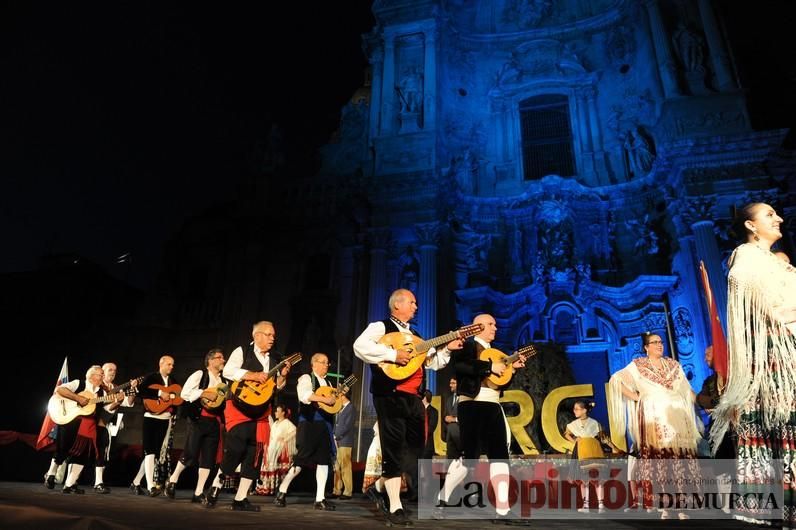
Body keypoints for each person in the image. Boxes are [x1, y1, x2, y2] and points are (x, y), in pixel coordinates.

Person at [712, 203, 796, 527]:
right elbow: (750, 293)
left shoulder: (772, 261)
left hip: (786, 344)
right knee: (781, 420)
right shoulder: (746, 256)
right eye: (769, 215)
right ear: (750, 224)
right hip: (775, 351)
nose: (779, 219)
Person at [354, 288, 462, 527]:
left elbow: (434, 363)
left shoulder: (416, 335)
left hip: (414, 397)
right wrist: (393, 354)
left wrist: (447, 348)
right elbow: (359, 346)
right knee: (392, 445)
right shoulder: (380, 327)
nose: (416, 307)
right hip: (390, 394)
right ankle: (396, 506)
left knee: (416, 445)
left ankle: (379, 485)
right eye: (412, 302)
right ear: (397, 305)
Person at [435, 313, 528, 525]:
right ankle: (442, 500)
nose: (495, 327)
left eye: (495, 323)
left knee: (500, 455)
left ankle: (502, 510)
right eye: (490, 324)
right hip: (471, 404)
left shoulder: (498, 353)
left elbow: (499, 382)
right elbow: (460, 367)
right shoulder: (466, 346)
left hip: (494, 405)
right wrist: (488, 367)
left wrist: (512, 369)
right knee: (470, 458)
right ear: (477, 327)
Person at [608, 332, 701, 520]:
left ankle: (683, 506)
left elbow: (687, 390)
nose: (659, 345)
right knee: (661, 459)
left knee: (679, 458)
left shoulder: (674, 365)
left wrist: (703, 404)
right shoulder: (638, 365)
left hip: (676, 418)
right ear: (646, 347)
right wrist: (638, 398)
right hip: (654, 419)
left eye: (661, 342)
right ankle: (665, 506)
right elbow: (616, 380)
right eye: (654, 342)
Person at [205, 320, 291, 512]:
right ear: (257, 335)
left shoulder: (276, 357)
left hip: (262, 411)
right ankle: (215, 488)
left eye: (273, 335)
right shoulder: (242, 351)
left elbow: (278, 387)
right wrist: (252, 375)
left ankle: (240, 498)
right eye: (268, 335)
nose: (272, 338)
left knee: (255, 454)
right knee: (236, 449)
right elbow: (228, 371)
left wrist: (283, 375)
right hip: (239, 407)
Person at [43, 365, 123, 493]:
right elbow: (60, 390)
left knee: (83, 454)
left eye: (103, 374)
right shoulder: (78, 384)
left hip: (88, 425)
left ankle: (69, 484)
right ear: (91, 376)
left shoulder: (102, 392)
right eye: (100, 374)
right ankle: (51, 474)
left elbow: (107, 409)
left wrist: (118, 402)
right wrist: (77, 398)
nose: (103, 376)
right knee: (63, 448)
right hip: (70, 419)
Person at [274, 352, 337, 510]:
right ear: (314, 364)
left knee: (324, 461)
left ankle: (320, 498)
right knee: (301, 462)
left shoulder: (329, 383)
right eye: (323, 362)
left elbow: (332, 404)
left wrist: (336, 401)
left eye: (327, 363)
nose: (326, 366)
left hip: (325, 426)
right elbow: (304, 396)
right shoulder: (306, 378)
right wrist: (325, 399)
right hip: (309, 425)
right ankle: (282, 490)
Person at [165, 348, 226, 502]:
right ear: (210, 360)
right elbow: (185, 394)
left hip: (214, 421)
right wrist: (203, 393)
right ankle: (173, 480)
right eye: (220, 358)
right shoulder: (200, 375)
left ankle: (198, 492)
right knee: (190, 453)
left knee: (208, 458)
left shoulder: (223, 381)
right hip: (198, 419)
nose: (223, 361)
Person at [131, 355, 179, 497]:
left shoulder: (173, 381)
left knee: (154, 454)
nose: (171, 367)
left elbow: (176, 399)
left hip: (165, 419)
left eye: (173, 365)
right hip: (151, 417)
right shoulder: (151, 377)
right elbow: (141, 390)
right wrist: (159, 393)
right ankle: (151, 485)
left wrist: (174, 411)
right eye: (169, 364)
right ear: (161, 364)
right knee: (150, 452)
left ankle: (136, 482)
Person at [563, 400, 621, 513]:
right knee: (583, 480)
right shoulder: (573, 424)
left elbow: (603, 438)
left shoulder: (594, 423)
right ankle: (585, 506)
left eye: (577, 409)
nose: (574, 411)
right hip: (581, 451)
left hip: (594, 450)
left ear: (584, 410)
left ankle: (601, 506)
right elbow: (566, 434)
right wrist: (575, 439)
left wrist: (614, 447)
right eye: (574, 409)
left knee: (597, 478)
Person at [93, 362, 136, 494]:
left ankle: (98, 482)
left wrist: (133, 389)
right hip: (91, 423)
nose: (113, 372)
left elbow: (128, 403)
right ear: (103, 372)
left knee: (102, 452)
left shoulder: (117, 388)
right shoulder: (97, 386)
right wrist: (115, 402)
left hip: (102, 425)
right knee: (81, 452)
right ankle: (63, 479)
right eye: (110, 370)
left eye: (115, 370)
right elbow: (101, 406)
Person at [695, 346, 735, 459]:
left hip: (733, 426)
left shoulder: (732, 376)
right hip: (717, 428)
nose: (705, 359)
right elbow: (700, 399)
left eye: (707, 355)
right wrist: (716, 402)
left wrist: (717, 405)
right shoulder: (709, 381)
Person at [256, 403, 296, 495]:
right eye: (276, 411)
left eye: (278, 411)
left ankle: (277, 488)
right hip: (272, 447)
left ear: (283, 413)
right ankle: (267, 488)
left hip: (279, 449)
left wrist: (285, 439)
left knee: (277, 468)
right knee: (267, 465)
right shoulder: (275, 423)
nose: (275, 413)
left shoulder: (287, 423)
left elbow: (295, 431)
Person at [332, 393, 355, 500]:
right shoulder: (342, 408)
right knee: (337, 466)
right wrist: (333, 434)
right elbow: (337, 424)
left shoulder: (350, 408)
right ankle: (336, 490)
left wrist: (337, 435)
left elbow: (347, 425)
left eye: (338, 397)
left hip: (345, 441)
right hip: (338, 440)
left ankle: (347, 491)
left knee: (345, 466)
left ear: (343, 396)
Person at [443, 377, 461, 460]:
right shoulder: (449, 399)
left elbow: (469, 417)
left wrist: (455, 419)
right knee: (450, 464)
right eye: (450, 383)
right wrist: (445, 418)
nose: (450, 385)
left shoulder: (465, 399)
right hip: (449, 437)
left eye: (453, 383)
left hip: (460, 437)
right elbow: (446, 415)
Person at [421, 390, 438, 459]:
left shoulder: (434, 411)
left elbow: (431, 428)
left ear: (425, 398)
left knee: (427, 469)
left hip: (428, 446)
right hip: (417, 447)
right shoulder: (418, 410)